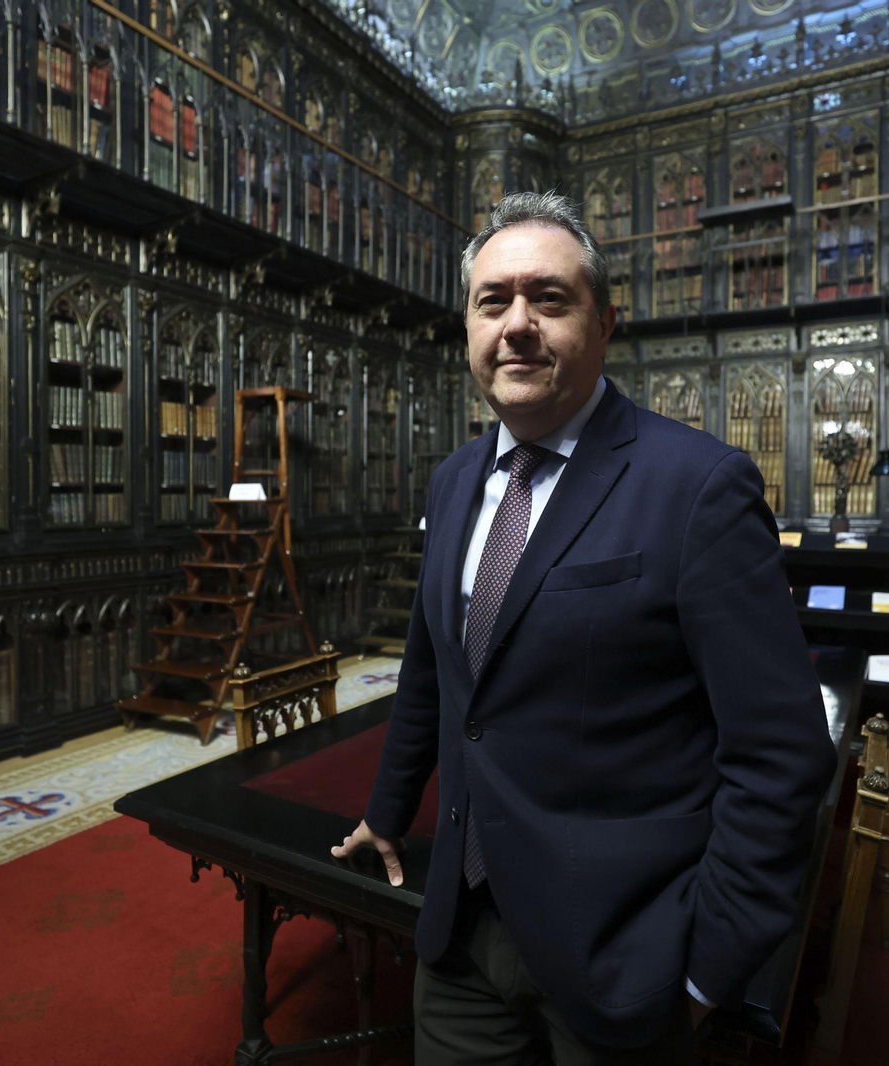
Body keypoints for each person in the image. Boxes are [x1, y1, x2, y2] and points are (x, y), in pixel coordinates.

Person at [331, 191, 835, 1064]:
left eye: (549, 299)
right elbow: (434, 675)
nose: (517, 325)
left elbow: (781, 753)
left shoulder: (698, 487)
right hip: (460, 934)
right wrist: (386, 812)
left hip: (624, 957)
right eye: (493, 301)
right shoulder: (453, 481)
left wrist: (707, 972)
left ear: (604, 324)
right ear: (467, 330)